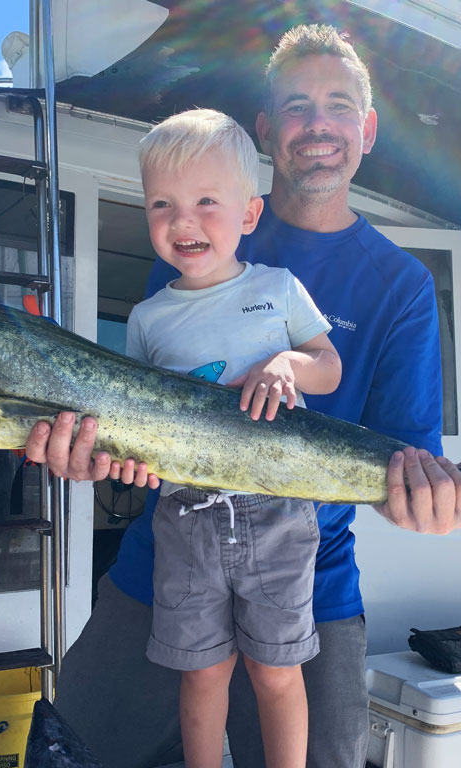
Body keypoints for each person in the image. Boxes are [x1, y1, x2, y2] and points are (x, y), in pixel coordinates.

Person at [27, 24, 461, 768]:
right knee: (67, 753)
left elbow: (406, 462)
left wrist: (441, 498)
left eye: (338, 105)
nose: (318, 124)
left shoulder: (401, 286)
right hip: (164, 565)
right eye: (297, 105)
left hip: (314, 582)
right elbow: (141, 415)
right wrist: (94, 451)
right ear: (268, 131)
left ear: (365, 131)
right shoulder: (191, 239)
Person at [130, 107, 342, 768]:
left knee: (276, 670)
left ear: (249, 215)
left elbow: (328, 368)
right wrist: (130, 460)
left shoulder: (278, 290)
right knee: (201, 671)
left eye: (205, 202)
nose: (182, 221)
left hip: (278, 506)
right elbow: (134, 415)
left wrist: (287, 364)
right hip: (182, 511)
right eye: (162, 203)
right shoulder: (146, 317)